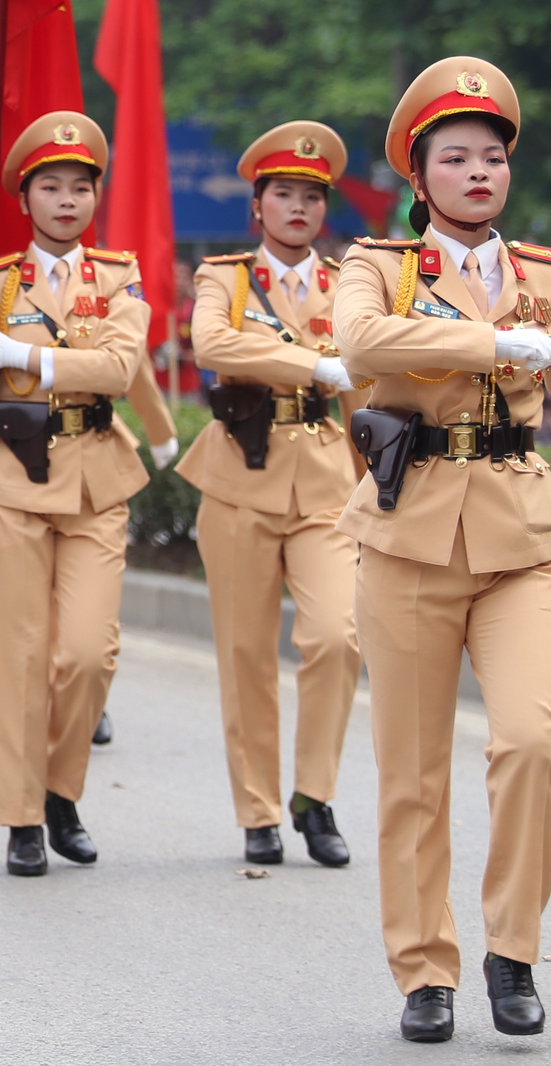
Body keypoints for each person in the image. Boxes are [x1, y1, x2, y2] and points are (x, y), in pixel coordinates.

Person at [337, 57, 551, 1043]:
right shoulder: (379, 265)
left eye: (492, 157)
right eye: (456, 158)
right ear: (420, 177)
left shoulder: (546, 278)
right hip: (406, 539)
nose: (479, 173)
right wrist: (490, 348)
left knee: (531, 742)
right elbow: (359, 345)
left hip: (522, 535)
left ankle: (512, 948)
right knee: (410, 771)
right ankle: (423, 970)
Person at [0, 112, 153, 877]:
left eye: (81, 186)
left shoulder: (120, 277)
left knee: (89, 653)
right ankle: (23, 814)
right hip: (13, 482)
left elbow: (121, 366)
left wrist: (27, 353)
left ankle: (62, 788)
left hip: (96, 475)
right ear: (23, 196)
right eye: (50, 186)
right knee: (21, 654)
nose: (67, 199)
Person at [174, 122, 363, 867]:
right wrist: (314, 363)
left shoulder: (347, 282)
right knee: (246, 652)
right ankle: (258, 807)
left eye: (311, 196)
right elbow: (213, 345)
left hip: (323, 476)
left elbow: (368, 370)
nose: (297, 207)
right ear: (258, 205)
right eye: (283, 193)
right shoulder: (225, 276)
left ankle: (315, 794)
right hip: (238, 478)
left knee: (336, 637)